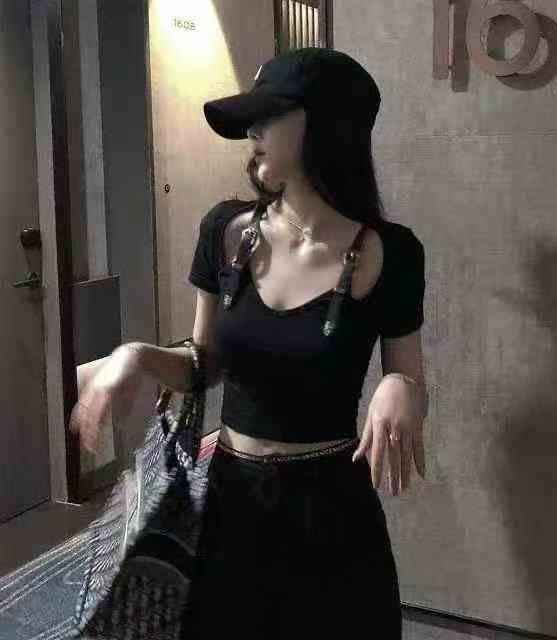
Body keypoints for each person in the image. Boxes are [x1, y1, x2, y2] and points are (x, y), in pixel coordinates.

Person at [71, 47, 428, 640]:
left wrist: (400, 386)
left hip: (332, 513)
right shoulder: (226, 231)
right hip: (229, 503)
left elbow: (411, 377)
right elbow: (204, 363)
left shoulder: (391, 254)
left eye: (269, 117)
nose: (252, 134)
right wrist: (136, 357)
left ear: (326, 127)